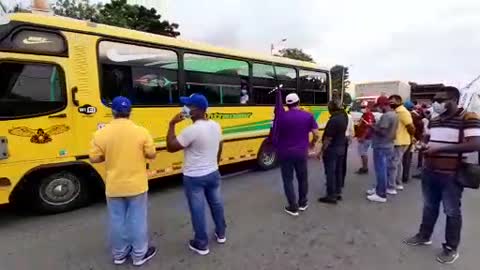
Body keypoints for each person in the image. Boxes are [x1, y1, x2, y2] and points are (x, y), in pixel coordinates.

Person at [404, 87, 480, 264]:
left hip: (451, 175)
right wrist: (422, 145)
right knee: (429, 206)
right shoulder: (435, 120)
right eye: (434, 99)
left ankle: (451, 248)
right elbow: (426, 138)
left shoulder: (469, 118)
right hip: (430, 171)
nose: (436, 103)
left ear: (453, 100)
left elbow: (475, 144)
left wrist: (441, 148)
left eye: (440, 99)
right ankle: (424, 236)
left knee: (452, 211)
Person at [89, 96, 157, 266]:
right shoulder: (141, 131)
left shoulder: (101, 133)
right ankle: (139, 255)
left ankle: (119, 254)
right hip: (137, 185)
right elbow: (151, 154)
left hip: (114, 185)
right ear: (130, 112)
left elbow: (94, 158)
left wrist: (110, 154)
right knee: (137, 219)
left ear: (112, 111)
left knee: (117, 220)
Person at [166, 93, 226, 256]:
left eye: (188, 106)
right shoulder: (215, 125)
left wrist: (172, 124)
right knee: (216, 204)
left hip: (194, 177)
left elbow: (170, 147)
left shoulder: (191, 130)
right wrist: (215, 163)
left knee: (197, 210)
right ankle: (221, 234)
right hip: (213, 173)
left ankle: (201, 243)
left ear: (197, 110)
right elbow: (221, 144)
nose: (185, 109)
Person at [276, 93, 320, 216]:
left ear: (286, 104)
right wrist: (312, 144)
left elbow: (275, 134)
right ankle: (302, 203)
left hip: (285, 153)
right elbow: (317, 134)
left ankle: (293, 207)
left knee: (288, 180)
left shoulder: (280, 117)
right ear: (298, 102)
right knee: (302, 178)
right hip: (301, 152)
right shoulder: (308, 116)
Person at [366, 96, 398, 203]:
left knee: (381, 170)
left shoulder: (386, 116)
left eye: (379, 106)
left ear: (383, 105)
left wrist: (372, 126)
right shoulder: (394, 114)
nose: (378, 108)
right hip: (389, 144)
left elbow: (383, 132)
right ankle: (379, 189)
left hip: (381, 145)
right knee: (384, 169)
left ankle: (381, 194)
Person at [317, 99, 348, 204]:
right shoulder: (344, 116)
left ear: (332, 108)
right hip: (341, 148)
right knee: (338, 171)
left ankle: (331, 195)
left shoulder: (333, 120)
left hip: (332, 150)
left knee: (330, 173)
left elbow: (328, 139)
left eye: (329, 108)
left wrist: (321, 151)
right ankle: (338, 192)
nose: (328, 110)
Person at [388, 95, 415, 193]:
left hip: (400, 142)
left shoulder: (402, 112)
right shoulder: (397, 111)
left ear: (399, 101)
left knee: (393, 164)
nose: (391, 103)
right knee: (398, 163)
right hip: (400, 141)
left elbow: (411, 127)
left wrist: (412, 137)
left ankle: (391, 187)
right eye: (390, 101)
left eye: (393, 101)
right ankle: (398, 183)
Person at [402, 101, 424, 183]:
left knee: (402, 158)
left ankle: (403, 176)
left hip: (406, 138)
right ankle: (405, 176)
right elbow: (420, 127)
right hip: (412, 138)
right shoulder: (416, 116)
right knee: (407, 158)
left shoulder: (406, 115)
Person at [355, 101, 376, 174]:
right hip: (364, 136)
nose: (362, 109)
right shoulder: (365, 114)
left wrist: (363, 137)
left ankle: (365, 168)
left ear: (368, 107)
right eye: (361, 107)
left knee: (363, 152)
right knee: (363, 152)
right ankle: (364, 167)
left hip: (365, 138)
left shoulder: (368, 115)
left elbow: (368, 127)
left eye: (364, 107)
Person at [341, 109, 355, 187]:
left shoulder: (334, 117)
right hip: (345, 139)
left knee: (334, 162)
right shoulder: (349, 116)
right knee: (343, 161)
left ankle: (334, 180)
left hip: (338, 140)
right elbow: (351, 129)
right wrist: (350, 139)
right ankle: (341, 180)